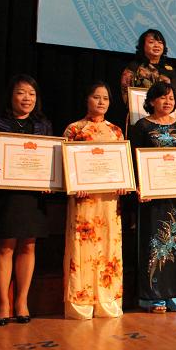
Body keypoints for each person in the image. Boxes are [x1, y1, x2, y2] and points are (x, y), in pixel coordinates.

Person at [0, 74, 52, 326]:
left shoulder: (43, 125)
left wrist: (52, 179)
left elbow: (52, 158)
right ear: (11, 95)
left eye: (32, 93)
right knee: (5, 245)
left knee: (28, 245)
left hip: (33, 196)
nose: (27, 98)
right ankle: (3, 303)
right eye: (21, 92)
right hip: (5, 193)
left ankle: (22, 301)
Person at [62, 82, 126, 319]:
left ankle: (107, 300)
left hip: (109, 200)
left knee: (109, 246)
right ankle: (82, 302)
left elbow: (121, 165)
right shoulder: (74, 129)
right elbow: (66, 164)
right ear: (87, 99)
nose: (101, 102)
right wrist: (74, 184)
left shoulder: (116, 131)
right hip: (85, 199)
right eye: (96, 97)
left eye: (105, 98)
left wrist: (123, 181)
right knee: (83, 247)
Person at [128, 82, 176, 312]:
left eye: (171, 98)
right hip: (151, 196)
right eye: (163, 97)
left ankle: (174, 294)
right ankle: (153, 297)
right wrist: (139, 187)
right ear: (152, 100)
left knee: (175, 244)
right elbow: (134, 159)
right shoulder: (141, 126)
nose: (168, 101)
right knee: (152, 244)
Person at [121, 29, 176, 106]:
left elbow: (175, 95)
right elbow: (126, 92)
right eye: (151, 42)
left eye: (160, 42)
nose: (157, 45)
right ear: (143, 46)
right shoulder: (134, 66)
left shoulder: (169, 70)